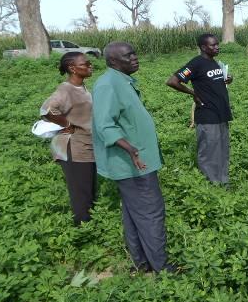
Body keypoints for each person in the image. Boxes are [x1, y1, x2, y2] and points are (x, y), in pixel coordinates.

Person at [92, 42, 174, 273]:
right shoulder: (108, 85)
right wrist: (132, 150)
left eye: (135, 53)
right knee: (151, 213)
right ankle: (162, 267)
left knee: (134, 213)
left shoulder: (121, 81)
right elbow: (105, 125)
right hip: (134, 163)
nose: (135, 58)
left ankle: (142, 262)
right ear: (113, 62)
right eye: (128, 56)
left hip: (135, 162)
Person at [166, 33, 233, 184]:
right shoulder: (195, 63)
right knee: (209, 152)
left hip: (221, 114)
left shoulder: (214, 62)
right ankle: (211, 185)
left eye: (217, 44)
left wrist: (229, 79)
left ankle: (223, 182)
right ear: (203, 47)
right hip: (207, 114)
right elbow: (172, 81)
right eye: (213, 45)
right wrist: (193, 93)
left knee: (222, 151)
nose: (217, 47)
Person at [41, 52, 97, 226]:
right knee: (82, 194)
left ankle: (91, 225)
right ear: (72, 68)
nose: (90, 66)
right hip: (73, 147)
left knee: (89, 190)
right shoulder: (66, 89)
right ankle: (82, 231)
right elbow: (47, 110)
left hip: (86, 145)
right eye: (85, 64)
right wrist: (66, 123)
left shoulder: (82, 86)